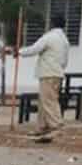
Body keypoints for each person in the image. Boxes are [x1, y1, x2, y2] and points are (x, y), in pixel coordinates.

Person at [17, 9, 72, 143]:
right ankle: (43, 126)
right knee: (44, 101)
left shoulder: (50, 36)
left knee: (49, 101)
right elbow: (65, 60)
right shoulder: (64, 39)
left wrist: (19, 52)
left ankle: (57, 126)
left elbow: (34, 49)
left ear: (52, 23)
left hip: (48, 72)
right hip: (56, 72)